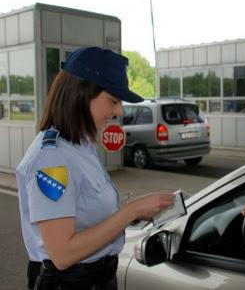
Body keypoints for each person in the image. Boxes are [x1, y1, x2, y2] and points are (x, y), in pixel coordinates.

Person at [16, 47, 176, 290]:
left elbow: (85, 216)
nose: (119, 111)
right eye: (113, 100)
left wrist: (138, 211)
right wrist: (130, 212)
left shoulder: (80, 146)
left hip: (97, 280)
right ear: (80, 94)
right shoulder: (51, 158)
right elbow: (63, 254)